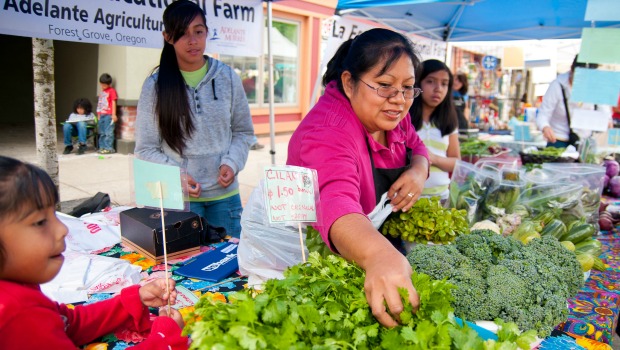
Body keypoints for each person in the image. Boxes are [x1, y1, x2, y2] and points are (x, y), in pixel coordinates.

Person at [287, 28, 430, 327]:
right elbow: (334, 200)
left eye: (407, 88)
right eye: (384, 85)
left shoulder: (392, 118)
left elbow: (416, 145)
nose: (399, 100)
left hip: (365, 247)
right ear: (349, 83)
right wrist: (379, 254)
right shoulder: (328, 131)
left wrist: (419, 170)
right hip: (315, 262)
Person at [0, 156, 187, 349]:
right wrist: (165, 340)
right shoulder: (18, 314)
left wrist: (132, 301)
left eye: (53, 215)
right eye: (40, 222)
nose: (63, 229)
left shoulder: (19, 289)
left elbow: (69, 324)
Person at [135, 0, 254, 238]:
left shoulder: (227, 77)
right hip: (179, 201)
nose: (193, 41)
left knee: (231, 268)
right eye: (182, 34)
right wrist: (177, 175)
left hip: (225, 199)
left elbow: (243, 132)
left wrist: (232, 162)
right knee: (186, 271)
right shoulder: (155, 86)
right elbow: (146, 148)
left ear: (207, 33)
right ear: (168, 37)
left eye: (198, 32)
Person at [409, 59, 460, 201]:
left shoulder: (449, 121)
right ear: (418, 83)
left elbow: (457, 162)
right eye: (431, 81)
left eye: (444, 84)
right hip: (409, 198)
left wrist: (434, 158)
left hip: (441, 197)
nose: (438, 88)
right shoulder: (405, 119)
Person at [536, 55, 611, 148]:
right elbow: (543, 114)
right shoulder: (558, 85)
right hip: (559, 139)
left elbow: (605, 112)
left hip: (586, 141)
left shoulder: (596, 86)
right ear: (572, 71)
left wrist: (607, 121)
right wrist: (545, 127)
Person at [96, 73, 118, 154]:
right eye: (101, 84)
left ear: (109, 84)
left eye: (104, 85)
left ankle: (109, 148)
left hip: (108, 115)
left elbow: (113, 102)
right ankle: (102, 147)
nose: (103, 86)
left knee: (108, 132)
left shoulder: (112, 91)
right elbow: (100, 103)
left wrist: (113, 114)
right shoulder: (102, 92)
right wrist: (98, 114)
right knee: (101, 132)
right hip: (101, 114)